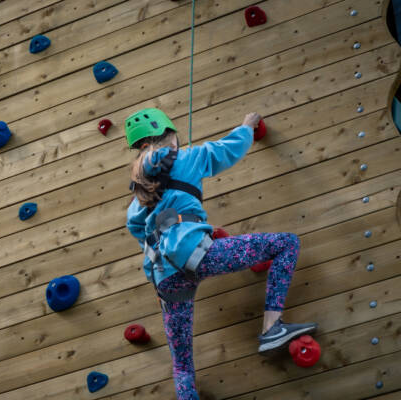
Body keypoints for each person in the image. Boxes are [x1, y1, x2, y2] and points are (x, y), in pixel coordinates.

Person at [125, 108, 317, 400]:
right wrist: (247, 126)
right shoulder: (187, 158)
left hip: (166, 280)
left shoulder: (136, 198)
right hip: (198, 255)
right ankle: (272, 328)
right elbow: (230, 149)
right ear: (169, 137)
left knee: (182, 367)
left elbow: (141, 233)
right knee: (286, 244)